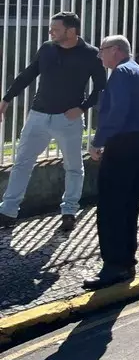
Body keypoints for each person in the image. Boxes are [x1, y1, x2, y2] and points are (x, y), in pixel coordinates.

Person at [0, 12, 106, 232]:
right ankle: (8, 211)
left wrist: (82, 108)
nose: (50, 32)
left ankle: (69, 211)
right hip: (37, 116)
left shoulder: (91, 54)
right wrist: (7, 99)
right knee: (22, 164)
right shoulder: (47, 48)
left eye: (55, 29)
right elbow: (29, 73)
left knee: (74, 167)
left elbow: (101, 87)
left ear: (71, 30)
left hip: (69, 120)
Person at [83, 36, 139, 290]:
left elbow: (117, 112)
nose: (99, 56)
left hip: (121, 144)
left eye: (102, 50)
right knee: (128, 203)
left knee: (112, 206)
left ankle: (113, 266)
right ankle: (126, 260)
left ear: (115, 50)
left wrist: (98, 141)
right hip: (136, 142)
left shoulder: (121, 73)